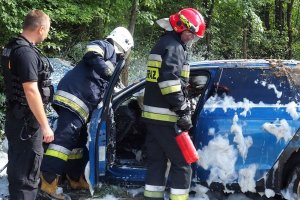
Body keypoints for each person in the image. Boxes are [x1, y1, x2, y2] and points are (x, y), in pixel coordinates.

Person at [39, 27, 134, 199]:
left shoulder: (112, 60)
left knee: (78, 144)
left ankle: (74, 179)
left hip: (80, 104)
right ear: (124, 45)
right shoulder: (107, 46)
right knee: (63, 142)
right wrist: (106, 70)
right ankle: (48, 182)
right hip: (73, 98)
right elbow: (92, 52)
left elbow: (109, 85)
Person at [141, 8, 206, 200]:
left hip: (152, 117)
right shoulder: (175, 48)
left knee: (157, 162)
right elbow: (169, 83)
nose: (191, 38)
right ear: (180, 26)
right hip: (166, 117)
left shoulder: (162, 44)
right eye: (190, 33)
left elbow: (164, 80)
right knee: (183, 163)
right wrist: (183, 110)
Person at [0, 10, 54, 200]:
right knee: (27, 175)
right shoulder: (26, 53)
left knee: (18, 169)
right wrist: (45, 126)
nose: (47, 33)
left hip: (17, 118)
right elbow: (31, 90)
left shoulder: (12, 47)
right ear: (40, 29)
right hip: (27, 122)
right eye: (47, 29)